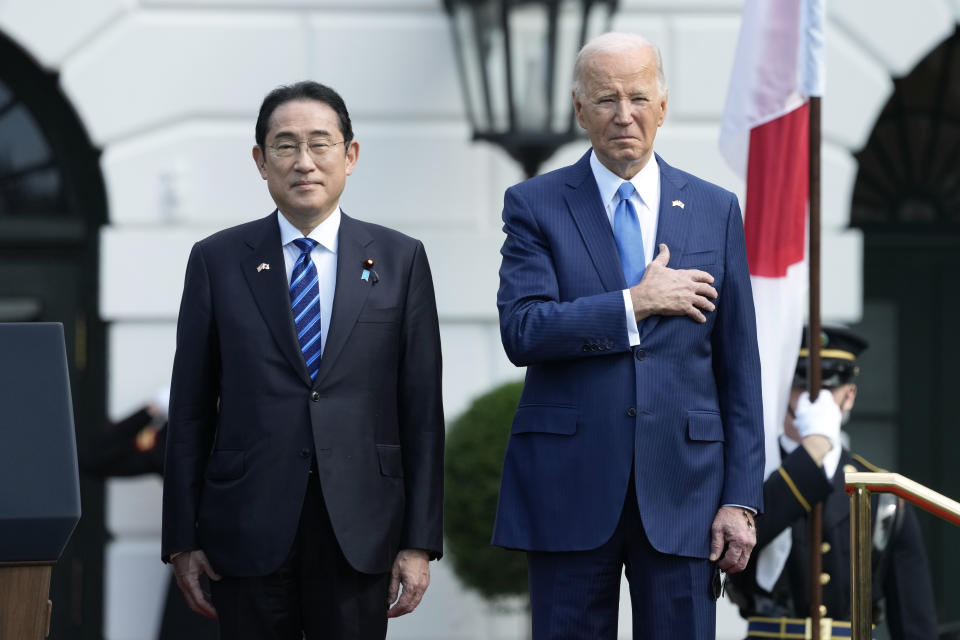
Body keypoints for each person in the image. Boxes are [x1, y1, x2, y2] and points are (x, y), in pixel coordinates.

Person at [493, 32, 765, 639]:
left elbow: (739, 369)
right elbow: (523, 330)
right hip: (570, 484)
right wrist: (634, 304)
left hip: (685, 490)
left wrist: (740, 498)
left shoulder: (715, 208)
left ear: (663, 107)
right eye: (607, 98)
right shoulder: (535, 204)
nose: (624, 115)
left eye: (639, 97)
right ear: (578, 109)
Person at [160, 81, 445, 640]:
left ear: (350, 155)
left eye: (321, 143)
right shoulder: (217, 261)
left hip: (361, 527)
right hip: (245, 526)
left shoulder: (400, 259)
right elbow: (189, 407)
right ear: (260, 162)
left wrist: (419, 541)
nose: (304, 162)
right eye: (285, 146)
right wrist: (182, 540)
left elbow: (421, 410)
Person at [726, 326, 939, 639]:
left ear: (849, 395)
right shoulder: (749, 475)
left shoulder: (884, 494)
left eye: (829, 388)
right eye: (803, 386)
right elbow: (746, 533)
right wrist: (813, 450)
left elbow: (914, 622)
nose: (816, 399)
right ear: (783, 389)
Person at [80, 389, 218, 640]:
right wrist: (153, 408)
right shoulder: (183, 430)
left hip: (267, 572)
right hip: (200, 576)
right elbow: (93, 457)